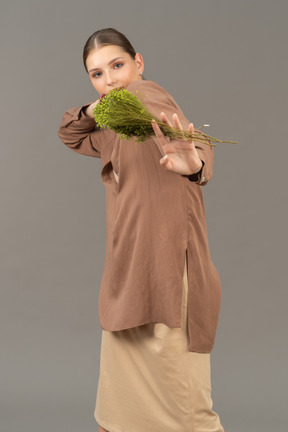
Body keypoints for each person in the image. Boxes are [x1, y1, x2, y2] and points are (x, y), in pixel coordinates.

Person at [58, 27, 226, 432]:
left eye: (117, 65)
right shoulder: (117, 120)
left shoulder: (145, 95)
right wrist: (96, 109)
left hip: (165, 267)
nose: (110, 80)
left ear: (139, 63)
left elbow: (192, 140)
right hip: (131, 268)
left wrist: (195, 164)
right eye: (97, 74)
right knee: (119, 408)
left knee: (185, 409)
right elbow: (70, 133)